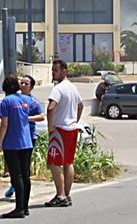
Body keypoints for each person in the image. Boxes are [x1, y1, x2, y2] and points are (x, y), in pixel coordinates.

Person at [0, 74, 39, 218]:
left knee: (17, 176)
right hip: (26, 141)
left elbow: (4, 124)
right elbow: (37, 111)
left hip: (12, 143)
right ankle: (25, 207)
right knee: (25, 175)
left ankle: (19, 208)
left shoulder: (6, 102)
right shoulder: (26, 100)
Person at [44, 59, 84, 208]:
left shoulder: (58, 88)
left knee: (54, 163)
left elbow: (50, 107)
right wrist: (75, 120)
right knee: (68, 162)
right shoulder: (73, 88)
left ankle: (60, 195)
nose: (53, 73)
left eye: (55, 70)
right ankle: (66, 195)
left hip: (60, 129)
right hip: (72, 129)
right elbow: (80, 106)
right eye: (53, 70)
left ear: (64, 71)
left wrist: (50, 127)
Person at [4, 75, 44, 201]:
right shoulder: (15, 99)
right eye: (21, 82)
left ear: (31, 87)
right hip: (14, 138)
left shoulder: (31, 101)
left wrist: (26, 118)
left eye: (26, 83)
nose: (23, 85)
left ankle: (22, 202)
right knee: (15, 169)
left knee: (23, 171)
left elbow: (42, 116)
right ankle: (15, 188)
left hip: (28, 136)